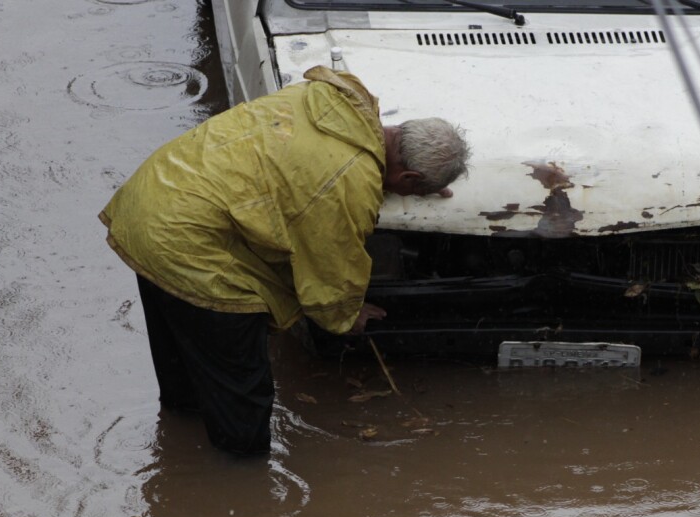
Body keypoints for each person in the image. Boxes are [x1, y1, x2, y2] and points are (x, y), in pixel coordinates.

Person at [99, 66, 470, 456]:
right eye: (415, 187)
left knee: (183, 369)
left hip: (153, 201)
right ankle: (242, 490)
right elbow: (328, 271)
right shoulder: (348, 183)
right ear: (409, 177)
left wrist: (397, 182)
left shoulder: (335, 101)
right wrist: (346, 316)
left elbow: (308, 170)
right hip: (190, 248)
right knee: (243, 396)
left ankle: (176, 453)